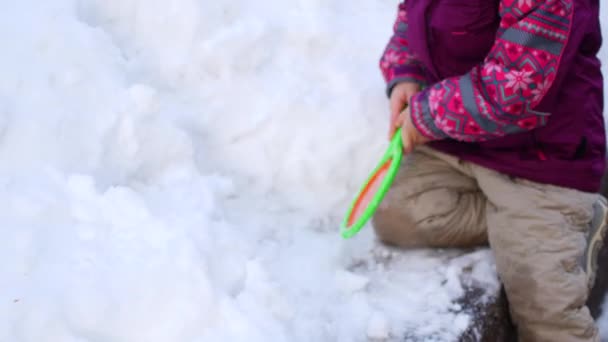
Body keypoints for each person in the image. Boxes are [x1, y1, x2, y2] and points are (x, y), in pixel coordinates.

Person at [374, 0, 606, 341]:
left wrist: (428, 114)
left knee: (545, 310)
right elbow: (413, 14)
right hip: (459, 141)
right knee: (395, 211)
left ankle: (562, 222)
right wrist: (406, 71)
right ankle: (540, 225)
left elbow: (515, 86)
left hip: (540, 160)